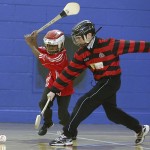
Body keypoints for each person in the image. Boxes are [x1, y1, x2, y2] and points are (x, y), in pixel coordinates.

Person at [47, 20, 150, 146]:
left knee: (85, 101)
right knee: (112, 114)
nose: (76, 41)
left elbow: (138, 46)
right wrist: (54, 90)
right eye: (76, 38)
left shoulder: (110, 45)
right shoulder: (81, 54)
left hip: (112, 81)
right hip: (102, 82)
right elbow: (69, 72)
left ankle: (67, 135)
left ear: (89, 35)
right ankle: (140, 129)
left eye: (78, 38)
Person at [24, 29, 74, 136]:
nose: (50, 48)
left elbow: (42, 58)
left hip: (64, 86)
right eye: (48, 45)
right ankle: (48, 123)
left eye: (53, 46)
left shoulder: (60, 57)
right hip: (52, 82)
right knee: (43, 103)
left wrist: (30, 44)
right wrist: (34, 41)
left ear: (61, 44)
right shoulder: (51, 50)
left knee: (62, 113)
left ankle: (70, 130)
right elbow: (39, 51)